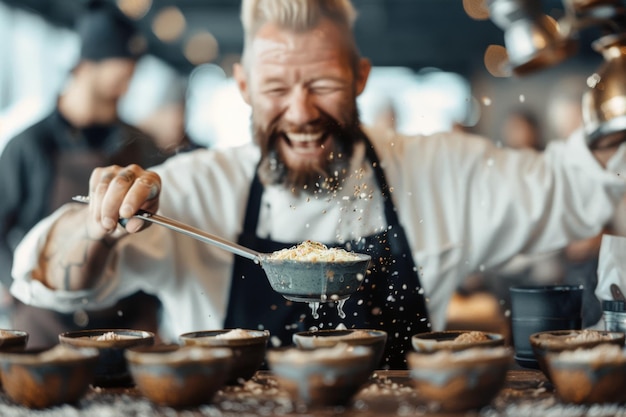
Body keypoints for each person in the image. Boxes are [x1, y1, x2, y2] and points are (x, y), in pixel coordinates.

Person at [9, 0, 626, 368]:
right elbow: (50, 276)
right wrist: (96, 226)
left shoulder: (439, 172)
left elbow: (573, 184)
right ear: (244, 85)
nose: (301, 112)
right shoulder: (199, 187)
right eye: (276, 88)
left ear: (360, 77)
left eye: (323, 84)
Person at [0, 1, 164, 347]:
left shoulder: (136, 143)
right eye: (122, 74)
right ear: (87, 66)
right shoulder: (30, 146)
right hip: (45, 322)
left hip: (124, 323)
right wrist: (12, 289)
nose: (127, 86)